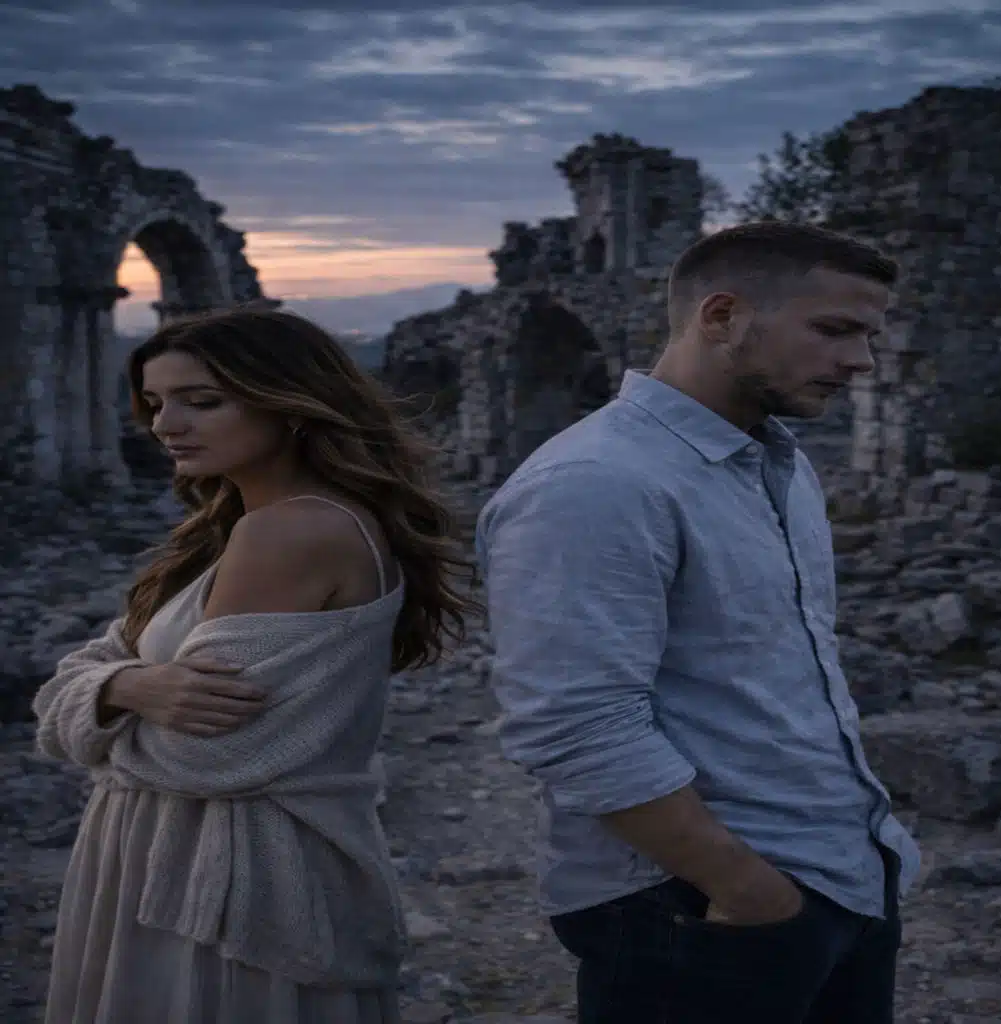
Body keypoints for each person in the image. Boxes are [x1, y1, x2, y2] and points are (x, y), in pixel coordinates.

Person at [476, 221, 921, 1024]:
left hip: (840, 876)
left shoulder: (777, 462)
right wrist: (746, 889)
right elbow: (575, 724)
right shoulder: (596, 483)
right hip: (693, 906)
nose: (861, 360)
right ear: (721, 316)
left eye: (869, 336)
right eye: (834, 330)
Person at [33, 307, 478, 1024]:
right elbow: (104, 660)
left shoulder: (291, 531)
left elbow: (202, 753)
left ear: (290, 403)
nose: (166, 425)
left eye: (202, 402)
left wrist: (102, 704)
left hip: (227, 877)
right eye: (155, 402)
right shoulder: (244, 526)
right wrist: (127, 685)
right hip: (203, 857)